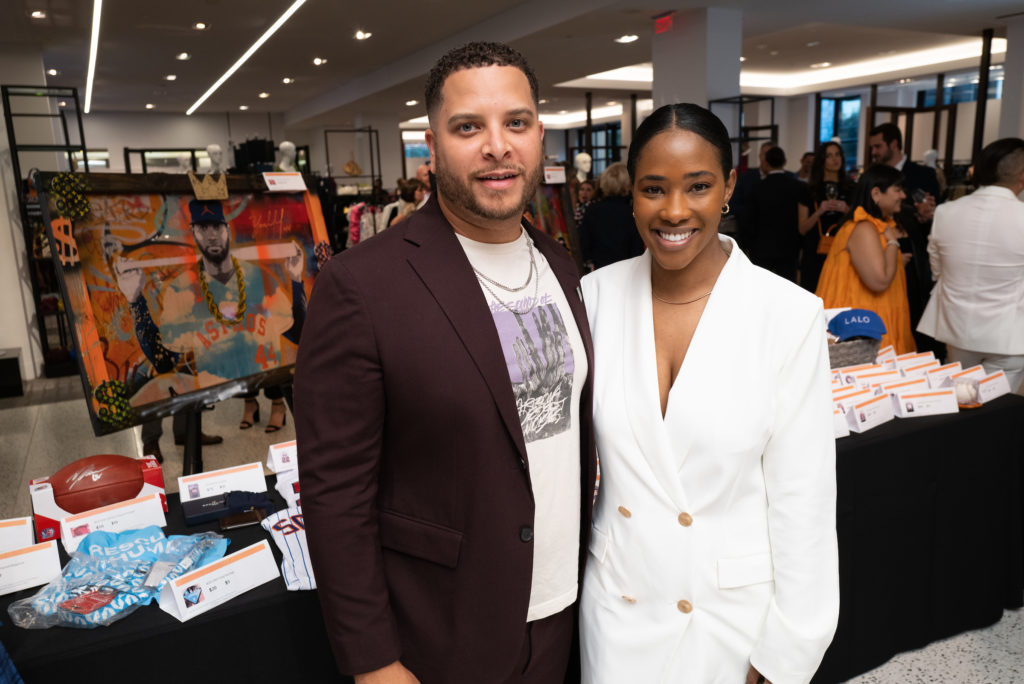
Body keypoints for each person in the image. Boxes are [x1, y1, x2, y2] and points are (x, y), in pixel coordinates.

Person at [295, 41, 596, 684]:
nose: (497, 146)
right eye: (468, 127)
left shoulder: (561, 264)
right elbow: (335, 493)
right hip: (445, 629)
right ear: (432, 143)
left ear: (539, 134)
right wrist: (374, 660)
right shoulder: (362, 285)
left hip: (564, 611)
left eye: (515, 122)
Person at [579, 103, 838, 684]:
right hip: (619, 609)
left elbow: (805, 501)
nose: (674, 211)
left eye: (697, 186)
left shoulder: (787, 314)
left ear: (728, 187)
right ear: (632, 196)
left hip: (733, 622)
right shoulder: (592, 298)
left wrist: (786, 653)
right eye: (653, 189)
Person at [115, 199, 307, 459]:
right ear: (194, 232)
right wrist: (135, 299)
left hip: (255, 372)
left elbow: (297, 335)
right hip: (205, 378)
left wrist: (296, 281)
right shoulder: (180, 288)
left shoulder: (259, 278)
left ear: (227, 229)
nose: (212, 235)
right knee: (159, 381)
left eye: (217, 226)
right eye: (203, 228)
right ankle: (157, 440)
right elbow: (162, 361)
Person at [918, 138, 1024, 392]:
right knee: (996, 411)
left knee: (959, 405)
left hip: (957, 328)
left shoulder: (946, 212)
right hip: (1008, 334)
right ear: (1021, 176)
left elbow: (937, 270)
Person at [816, 164, 916, 354]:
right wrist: (893, 243)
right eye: (898, 190)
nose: (903, 196)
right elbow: (879, 281)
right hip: (863, 326)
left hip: (874, 316)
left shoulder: (878, 226)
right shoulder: (864, 228)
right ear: (876, 194)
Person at [742, 145, 804, 282]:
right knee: (788, 288)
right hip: (789, 248)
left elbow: (748, 220)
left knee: (760, 287)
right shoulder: (797, 186)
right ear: (785, 162)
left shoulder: (757, 188)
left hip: (761, 248)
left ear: (766, 162)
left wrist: (748, 245)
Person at [797, 141, 852, 293]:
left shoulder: (852, 187)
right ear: (822, 160)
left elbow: (860, 222)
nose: (835, 159)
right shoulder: (809, 189)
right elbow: (802, 229)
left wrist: (847, 210)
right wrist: (819, 211)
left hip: (844, 251)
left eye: (837, 154)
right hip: (815, 252)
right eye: (829, 156)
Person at [578, 162, 643, 270]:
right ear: (626, 185)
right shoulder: (632, 213)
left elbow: (584, 246)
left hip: (599, 271)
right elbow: (637, 250)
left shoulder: (592, 210)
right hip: (626, 272)